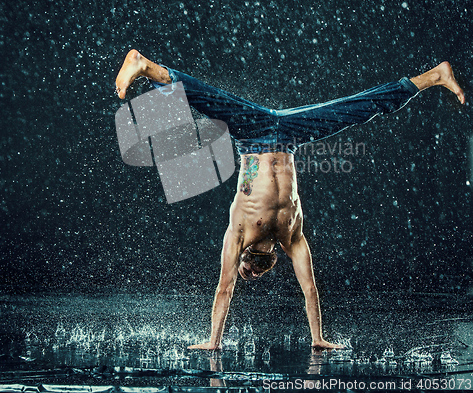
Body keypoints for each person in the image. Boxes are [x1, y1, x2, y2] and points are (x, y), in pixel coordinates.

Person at [115, 49, 465, 350]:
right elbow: (305, 289)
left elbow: (226, 289)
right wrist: (318, 337)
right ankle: (432, 76)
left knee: (204, 99)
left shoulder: (245, 235)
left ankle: (146, 66)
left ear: (251, 262)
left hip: (253, 134)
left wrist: (214, 340)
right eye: (250, 272)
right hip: (289, 135)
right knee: (360, 108)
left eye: (248, 273)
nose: (248, 274)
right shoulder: (290, 237)